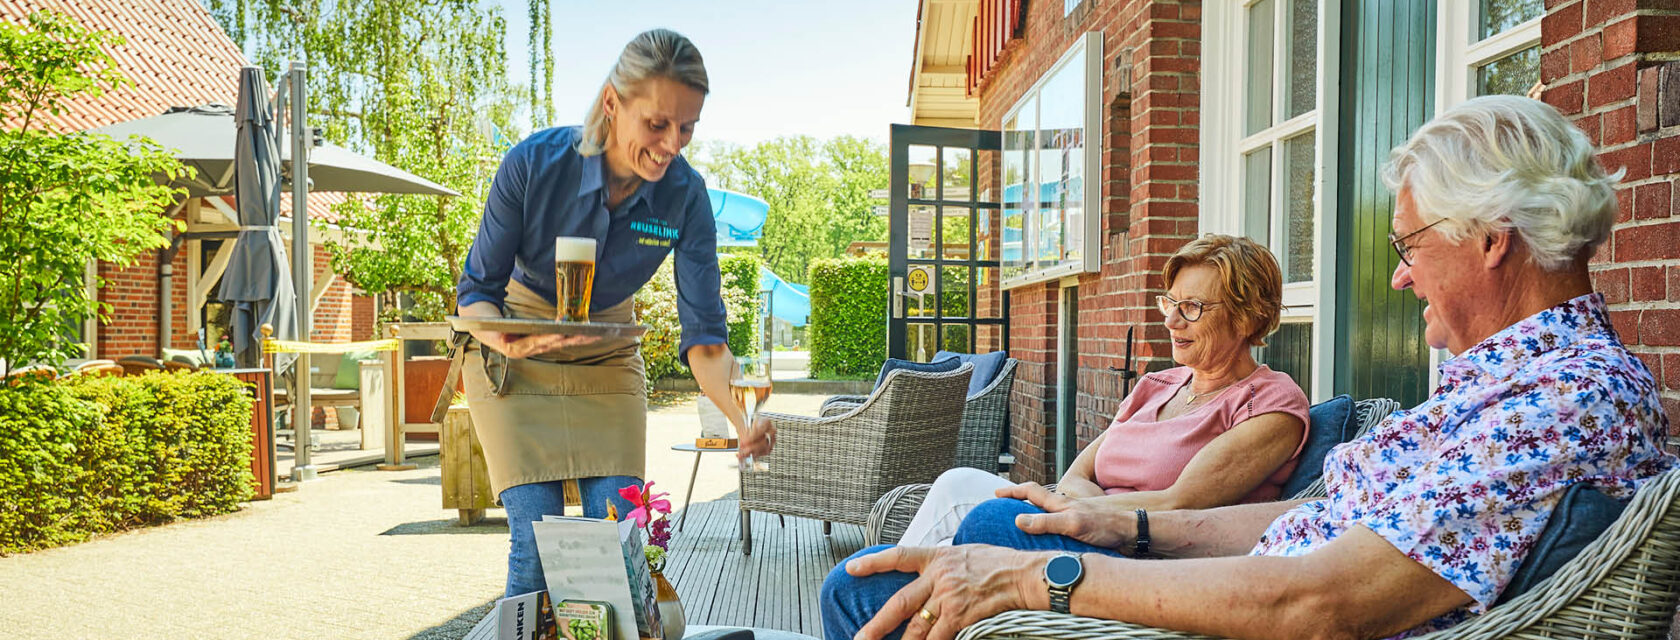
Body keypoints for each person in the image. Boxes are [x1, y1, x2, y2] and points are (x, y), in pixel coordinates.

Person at [821, 95, 1678, 640]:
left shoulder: (1562, 399)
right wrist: (1126, 528)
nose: (1399, 273)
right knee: (931, 558)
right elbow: (1319, 518)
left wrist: (1041, 576)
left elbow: (1319, 605)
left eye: (1410, 243)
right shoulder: (1513, 383)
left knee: (884, 587)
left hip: (1245, 618)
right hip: (1229, 586)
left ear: (1493, 239)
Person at [453, 29, 773, 598]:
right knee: (537, 545)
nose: (673, 143)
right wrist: (506, 339)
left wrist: (743, 421)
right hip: (515, 357)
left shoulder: (686, 196)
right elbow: (476, 291)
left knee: (618, 545)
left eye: (688, 126)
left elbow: (706, 338)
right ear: (611, 104)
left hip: (608, 356)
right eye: (657, 124)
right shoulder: (533, 164)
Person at [897, 234, 1309, 547]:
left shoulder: (1270, 404)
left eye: (1192, 308)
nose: (1171, 322)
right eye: (1170, 303)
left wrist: (1077, 510)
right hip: (1081, 519)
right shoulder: (1155, 386)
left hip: (1135, 550)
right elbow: (1077, 473)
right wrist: (1073, 504)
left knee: (984, 520)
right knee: (954, 485)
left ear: (1247, 319)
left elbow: (1179, 503)